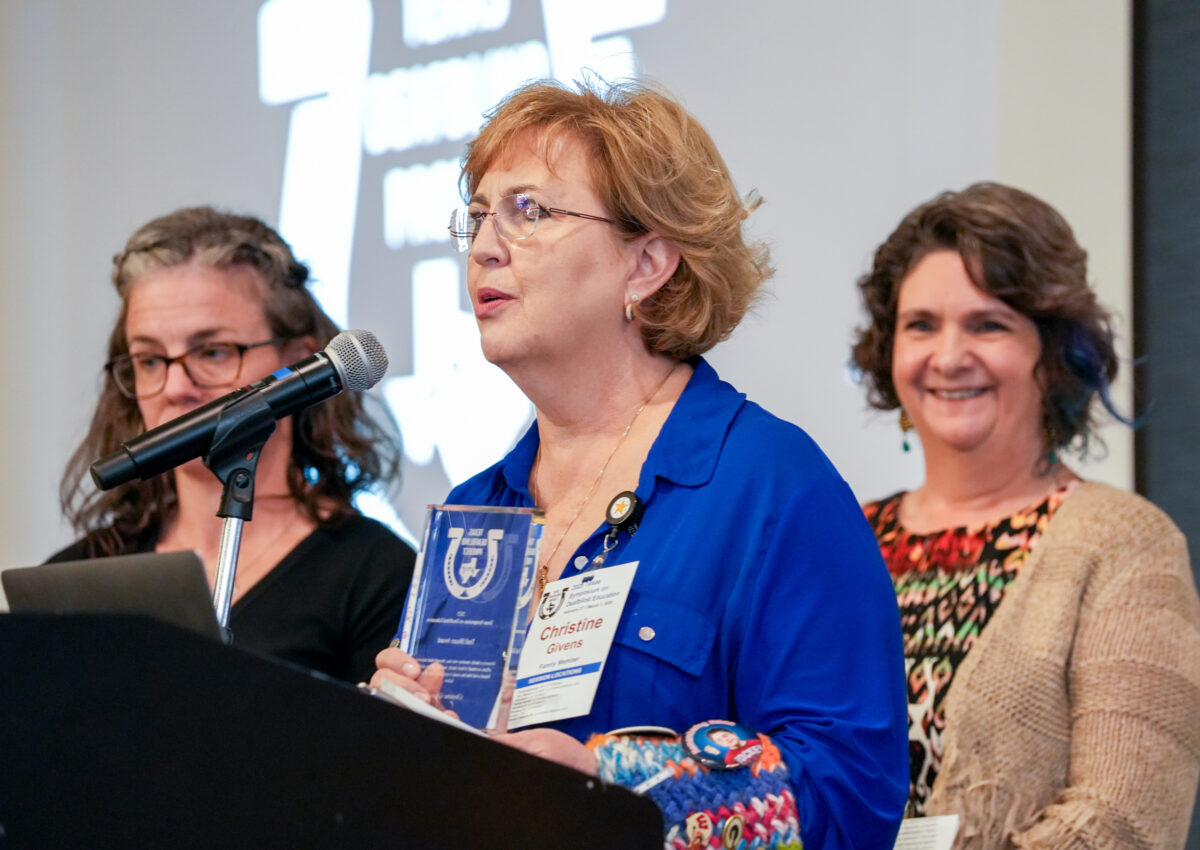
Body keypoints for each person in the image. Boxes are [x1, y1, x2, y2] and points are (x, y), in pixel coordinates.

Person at [372, 80, 908, 850]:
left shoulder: (771, 487)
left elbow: (850, 792)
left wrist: (617, 783)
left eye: (530, 211)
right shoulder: (474, 510)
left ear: (647, 263)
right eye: (481, 215)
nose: (486, 245)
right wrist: (405, 729)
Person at [852, 182, 1200, 849]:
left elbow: (1123, 824)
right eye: (921, 324)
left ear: (1055, 350)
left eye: (989, 324)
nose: (949, 356)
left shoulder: (1127, 544)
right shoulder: (843, 538)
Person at [55, 206, 416, 685]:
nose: (175, 386)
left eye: (213, 352)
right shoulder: (78, 581)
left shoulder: (378, 576)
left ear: (299, 360)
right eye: (148, 360)